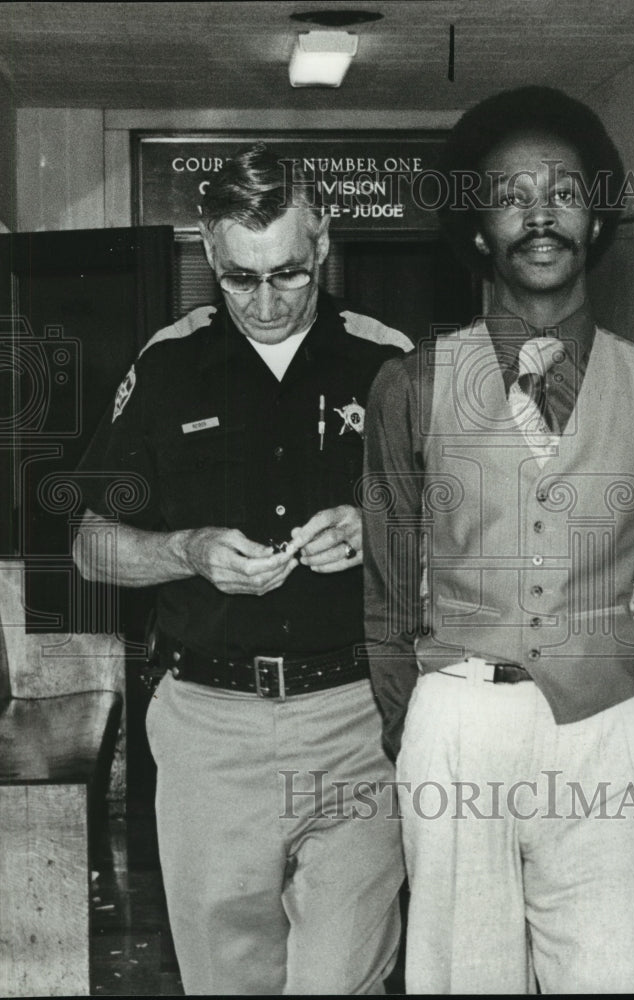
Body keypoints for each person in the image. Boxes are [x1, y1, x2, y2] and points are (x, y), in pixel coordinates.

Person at [362, 86, 634, 994]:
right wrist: (428, 722)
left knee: (617, 973)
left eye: (562, 190)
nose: (539, 213)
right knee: (462, 975)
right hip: (459, 715)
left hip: (604, 724)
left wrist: (612, 684)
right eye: (511, 194)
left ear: (595, 219)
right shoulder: (412, 384)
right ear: (477, 227)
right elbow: (389, 590)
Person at [73, 143, 409, 996]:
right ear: (209, 251)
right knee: (228, 981)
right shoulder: (167, 364)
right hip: (208, 732)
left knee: (345, 979)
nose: (264, 301)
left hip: (355, 721)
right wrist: (183, 551)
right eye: (238, 278)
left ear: (324, 241)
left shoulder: (391, 363)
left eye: (288, 274)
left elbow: (471, 528)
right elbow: (90, 542)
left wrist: (381, 530)